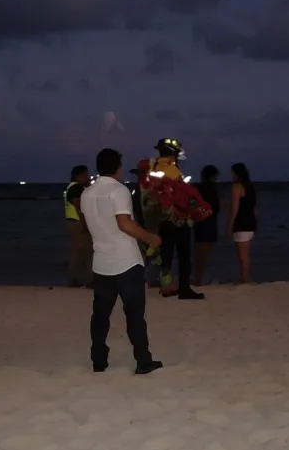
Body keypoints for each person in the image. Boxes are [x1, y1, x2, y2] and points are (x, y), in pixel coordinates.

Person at [82, 147, 164, 375]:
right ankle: (143, 360)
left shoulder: (87, 193)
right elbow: (124, 223)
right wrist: (151, 238)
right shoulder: (119, 191)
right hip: (126, 262)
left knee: (100, 315)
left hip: (101, 262)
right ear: (117, 168)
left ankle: (98, 360)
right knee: (135, 314)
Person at [142, 138, 204, 299]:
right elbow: (182, 196)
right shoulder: (173, 171)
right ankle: (184, 289)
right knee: (184, 255)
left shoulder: (153, 167)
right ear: (172, 154)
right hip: (177, 218)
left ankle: (166, 287)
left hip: (161, 218)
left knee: (166, 254)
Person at [227, 162, 257, 284]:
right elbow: (254, 207)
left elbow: (235, 208)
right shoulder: (250, 187)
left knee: (242, 254)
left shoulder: (237, 187)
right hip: (250, 222)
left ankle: (244, 278)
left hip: (241, 222)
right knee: (246, 254)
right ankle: (245, 277)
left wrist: (230, 224)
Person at [64, 164, 93, 288]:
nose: (88, 177)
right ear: (79, 176)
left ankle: (74, 279)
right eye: (85, 175)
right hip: (77, 223)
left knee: (77, 252)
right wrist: (85, 223)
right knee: (88, 251)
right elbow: (80, 207)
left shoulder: (72, 187)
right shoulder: (76, 188)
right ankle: (91, 280)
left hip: (72, 222)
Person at [192, 165, 220, 286]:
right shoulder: (212, 189)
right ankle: (198, 279)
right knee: (204, 254)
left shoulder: (199, 189)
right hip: (209, 225)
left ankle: (197, 278)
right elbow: (214, 207)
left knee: (199, 254)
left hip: (200, 224)